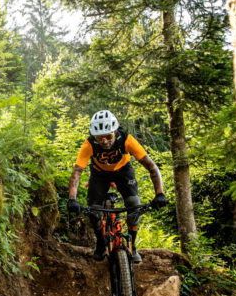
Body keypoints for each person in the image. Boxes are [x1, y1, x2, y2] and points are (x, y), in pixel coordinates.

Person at [66, 109, 168, 262]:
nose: (105, 141)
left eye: (108, 136)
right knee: (95, 212)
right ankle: (100, 243)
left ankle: (132, 246)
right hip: (99, 174)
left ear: (115, 130)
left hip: (123, 172)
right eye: (100, 138)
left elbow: (151, 166)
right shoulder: (89, 144)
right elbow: (77, 172)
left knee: (134, 206)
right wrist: (72, 198)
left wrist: (159, 193)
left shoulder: (126, 139)